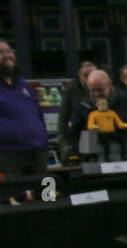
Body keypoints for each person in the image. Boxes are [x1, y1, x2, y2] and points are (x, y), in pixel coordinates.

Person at [0, 40, 48, 177]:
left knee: (47, 195)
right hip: (8, 153)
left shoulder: (23, 84)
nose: (7, 55)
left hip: (37, 150)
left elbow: (37, 113)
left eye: (9, 51)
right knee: (15, 196)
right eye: (1, 52)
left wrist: (43, 139)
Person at [70, 68, 127, 137]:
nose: (96, 94)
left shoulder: (126, 101)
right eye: (92, 90)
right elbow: (74, 133)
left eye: (100, 90)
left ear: (109, 84)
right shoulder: (83, 105)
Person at [57, 60, 96, 146]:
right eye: (85, 75)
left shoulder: (102, 86)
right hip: (78, 130)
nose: (89, 78)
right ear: (79, 75)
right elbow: (64, 114)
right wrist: (61, 136)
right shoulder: (71, 89)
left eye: (92, 74)